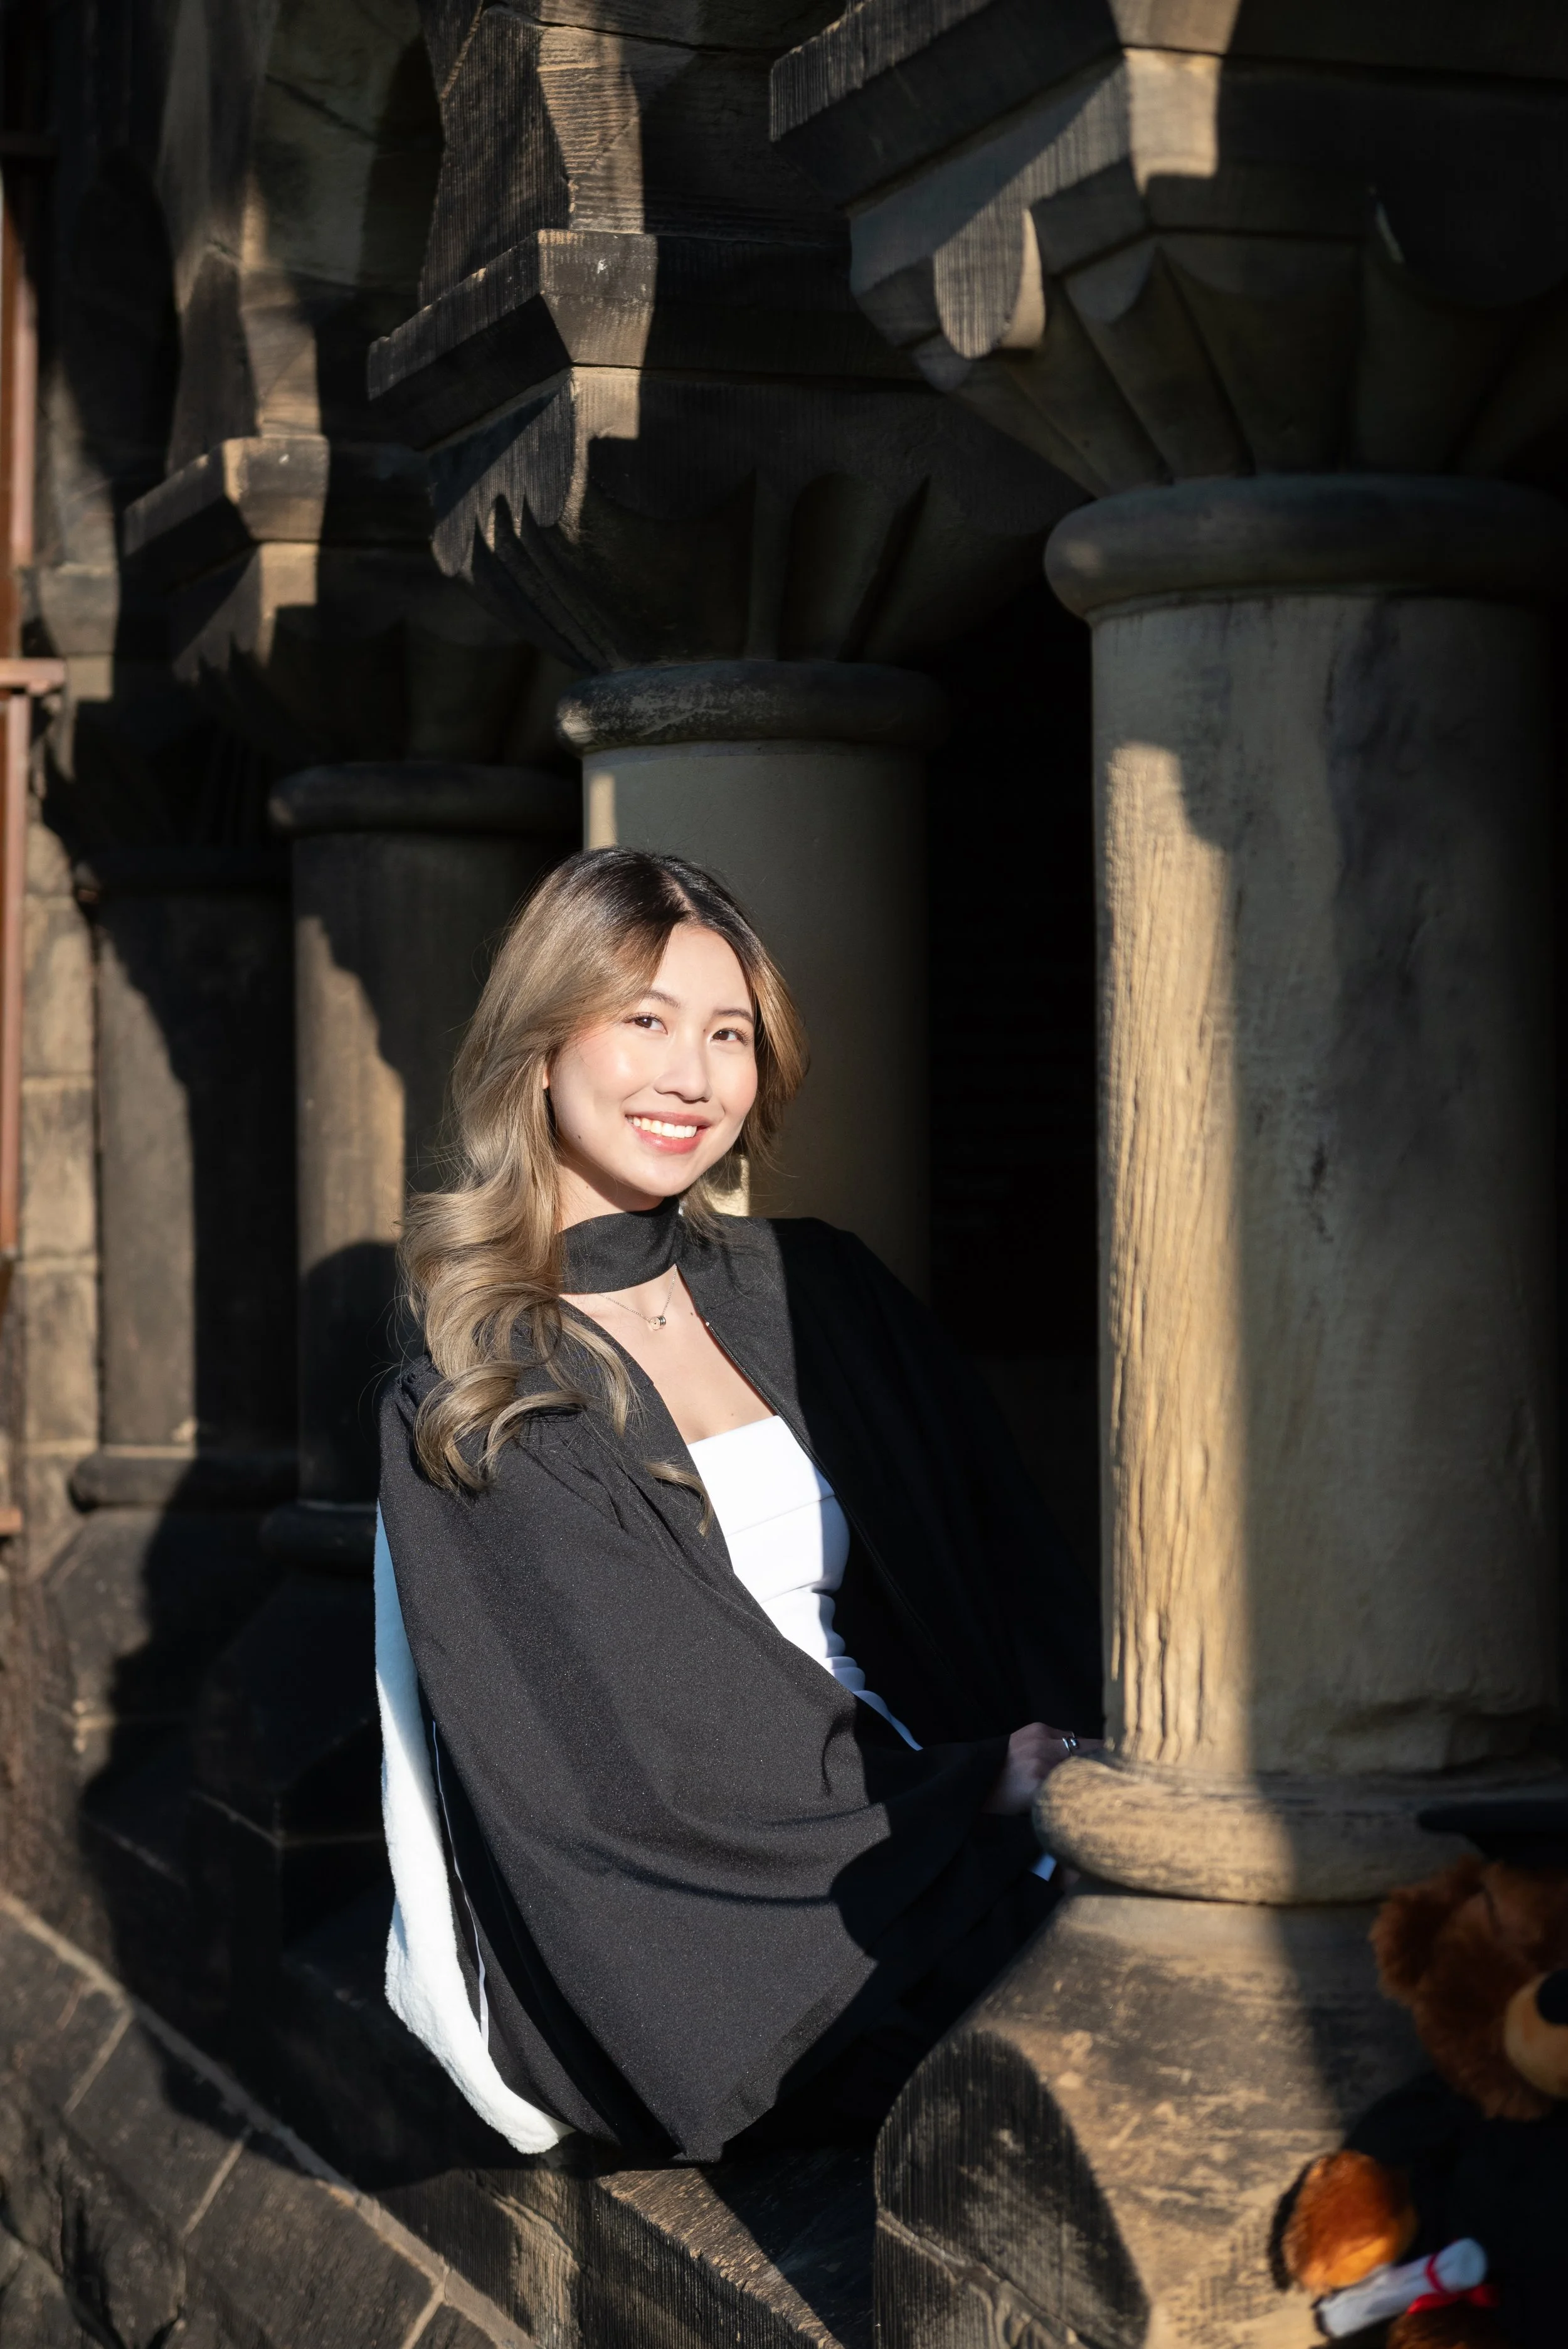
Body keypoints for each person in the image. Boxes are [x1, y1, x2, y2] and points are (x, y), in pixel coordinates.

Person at [375, 848, 1101, 2164]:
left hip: (960, 1807)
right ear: (539, 1048)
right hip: (728, 1927)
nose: (692, 1078)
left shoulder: (817, 1291)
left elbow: (1010, 1562)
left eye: (728, 1034)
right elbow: (640, 1750)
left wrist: (1067, 1761)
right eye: (641, 1022)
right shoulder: (481, 1390)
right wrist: (968, 1796)